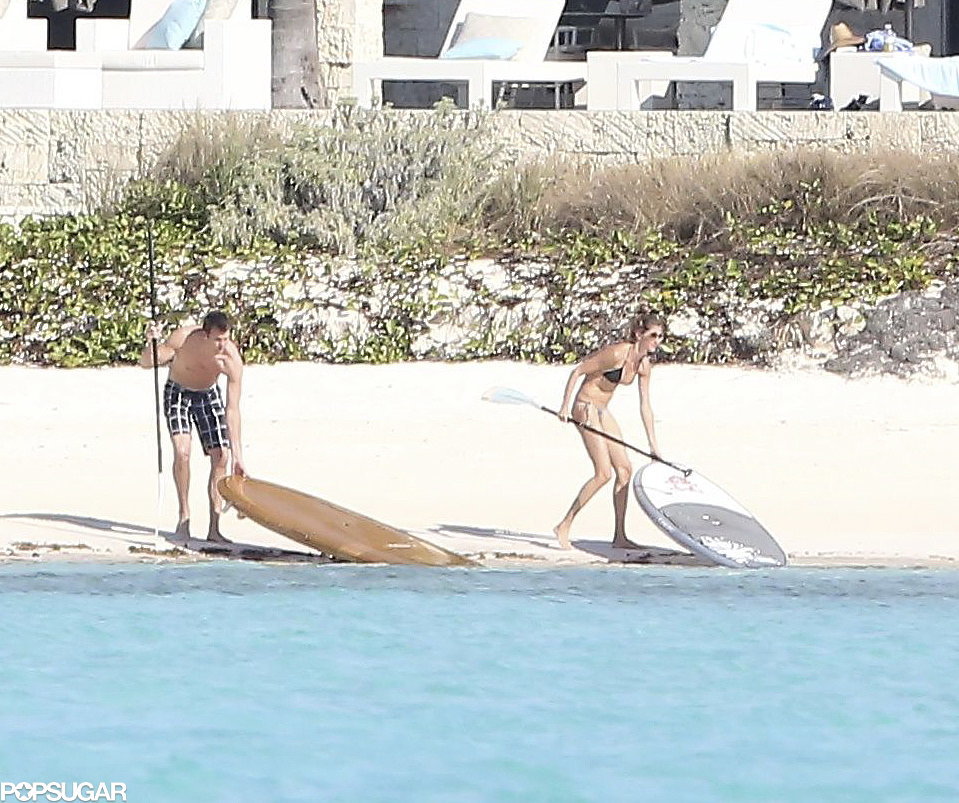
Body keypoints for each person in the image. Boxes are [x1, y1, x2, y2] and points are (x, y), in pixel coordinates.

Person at [553, 313, 665, 550]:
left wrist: (654, 447)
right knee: (603, 473)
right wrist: (565, 406)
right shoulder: (616, 354)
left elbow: (645, 406)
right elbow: (578, 371)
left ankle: (620, 536)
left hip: (602, 410)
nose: (657, 341)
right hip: (585, 406)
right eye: (653, 335)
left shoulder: (644, 366)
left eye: (660, 336)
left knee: (624, 471)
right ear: (638, 335)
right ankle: (564, 525)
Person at [139, 310, 246, 542]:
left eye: (225, 339)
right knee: (182, 452)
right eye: (217, 340)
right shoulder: (184, 339)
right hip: (178, 392)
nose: (222, 345)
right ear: (205, 335)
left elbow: (233, 410)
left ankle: (214, 527)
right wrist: (152, 342)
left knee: (221, 457)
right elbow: (147, 363)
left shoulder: (231, 359)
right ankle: (184, 516)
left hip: (208, 395)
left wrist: (238, 456)